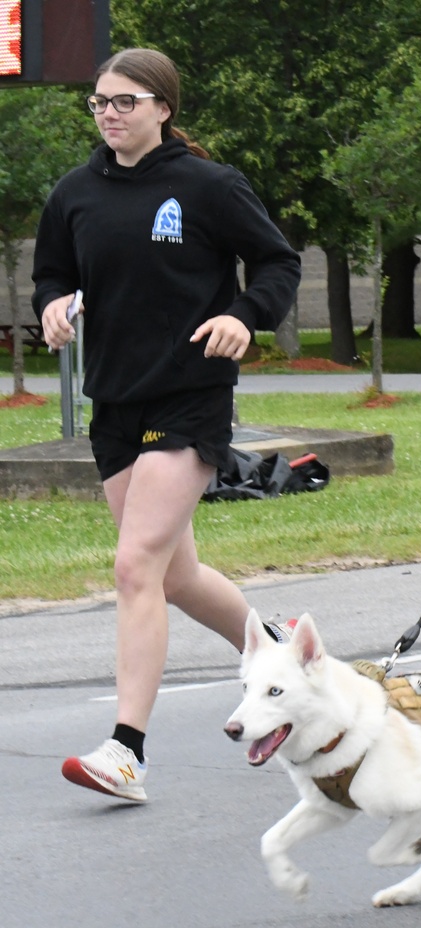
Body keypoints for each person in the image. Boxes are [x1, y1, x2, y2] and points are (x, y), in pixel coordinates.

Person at [32, 48, 302, 802]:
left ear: (162, 108)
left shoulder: (207, 186)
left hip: (190, 396)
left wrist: (242, 316)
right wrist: (52, 306)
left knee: (133, 567)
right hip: (115, 403)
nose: (109, 114)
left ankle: (127, 752)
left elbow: (277, 263)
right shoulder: (75, 192)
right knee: (173, 575)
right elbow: (52, 272)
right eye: (99, 103)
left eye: (124, 101)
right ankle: (277, 651)